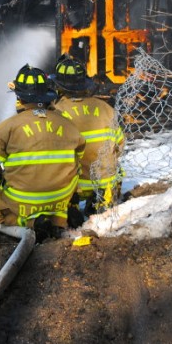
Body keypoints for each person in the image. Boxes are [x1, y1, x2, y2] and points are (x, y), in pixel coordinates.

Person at [0, 64, 85, 240]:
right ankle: (61, 218)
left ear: (19, 97)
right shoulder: (68, 124)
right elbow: (77, 161)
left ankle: (31, 223)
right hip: (59, 199)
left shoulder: (7, 127)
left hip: (22, 202)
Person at [51, 55, 124, 223]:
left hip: (75, 186)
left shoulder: (56, 112)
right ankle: (101, 199)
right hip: (104, 181)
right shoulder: (105, 108)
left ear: (59, 86)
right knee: (118, 169)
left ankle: (71, 205)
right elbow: (120, 145)